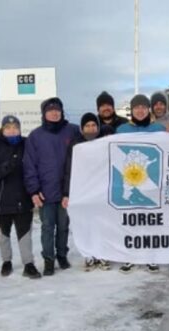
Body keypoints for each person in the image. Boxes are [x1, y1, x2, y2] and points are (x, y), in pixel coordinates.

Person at [0, 115, 42, 279]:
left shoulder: (26, 144)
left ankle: (28, 263)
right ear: (2, 129)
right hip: (0, 200)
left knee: (24, 234)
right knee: (3, 235)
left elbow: (35, 166)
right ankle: (6, 261)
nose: (12, 130)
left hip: (23, 198)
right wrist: (6, 166)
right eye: (8, 128)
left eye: (15, 127)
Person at [24, 97, 77, 276]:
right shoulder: (35, 136)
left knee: (63, 226)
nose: (54, 113)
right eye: (50, 110)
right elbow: (29, 165)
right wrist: (33, 190)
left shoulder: (72, 131)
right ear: (44, 113)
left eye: (57, 110)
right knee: (47, 227)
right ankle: (48, 259)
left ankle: (62, 255)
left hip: (66, 192)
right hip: (45, 192)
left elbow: (91, 139)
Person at [115, 94, 167, 273]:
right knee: (131, 220)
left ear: (148, 109)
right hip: (129, 178)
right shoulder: (122, 129)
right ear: (132, 110)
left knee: (150, 220)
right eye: (136, 107)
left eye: (144, 107)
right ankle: (130, 256)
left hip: (151, 180)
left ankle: (150, 256)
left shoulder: (158, 128)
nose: (140, 110)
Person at [61, 112, 109, 271]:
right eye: (87, 126)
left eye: (93, 125)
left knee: (102, 224)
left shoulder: (105, 142)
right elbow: (69, 170)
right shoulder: (75, 146)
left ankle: (103, 255)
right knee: (85, 224)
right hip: (82, 191)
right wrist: (67, 193)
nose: (91, 128)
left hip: (102, 191)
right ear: (82, 129)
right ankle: (89, 256)